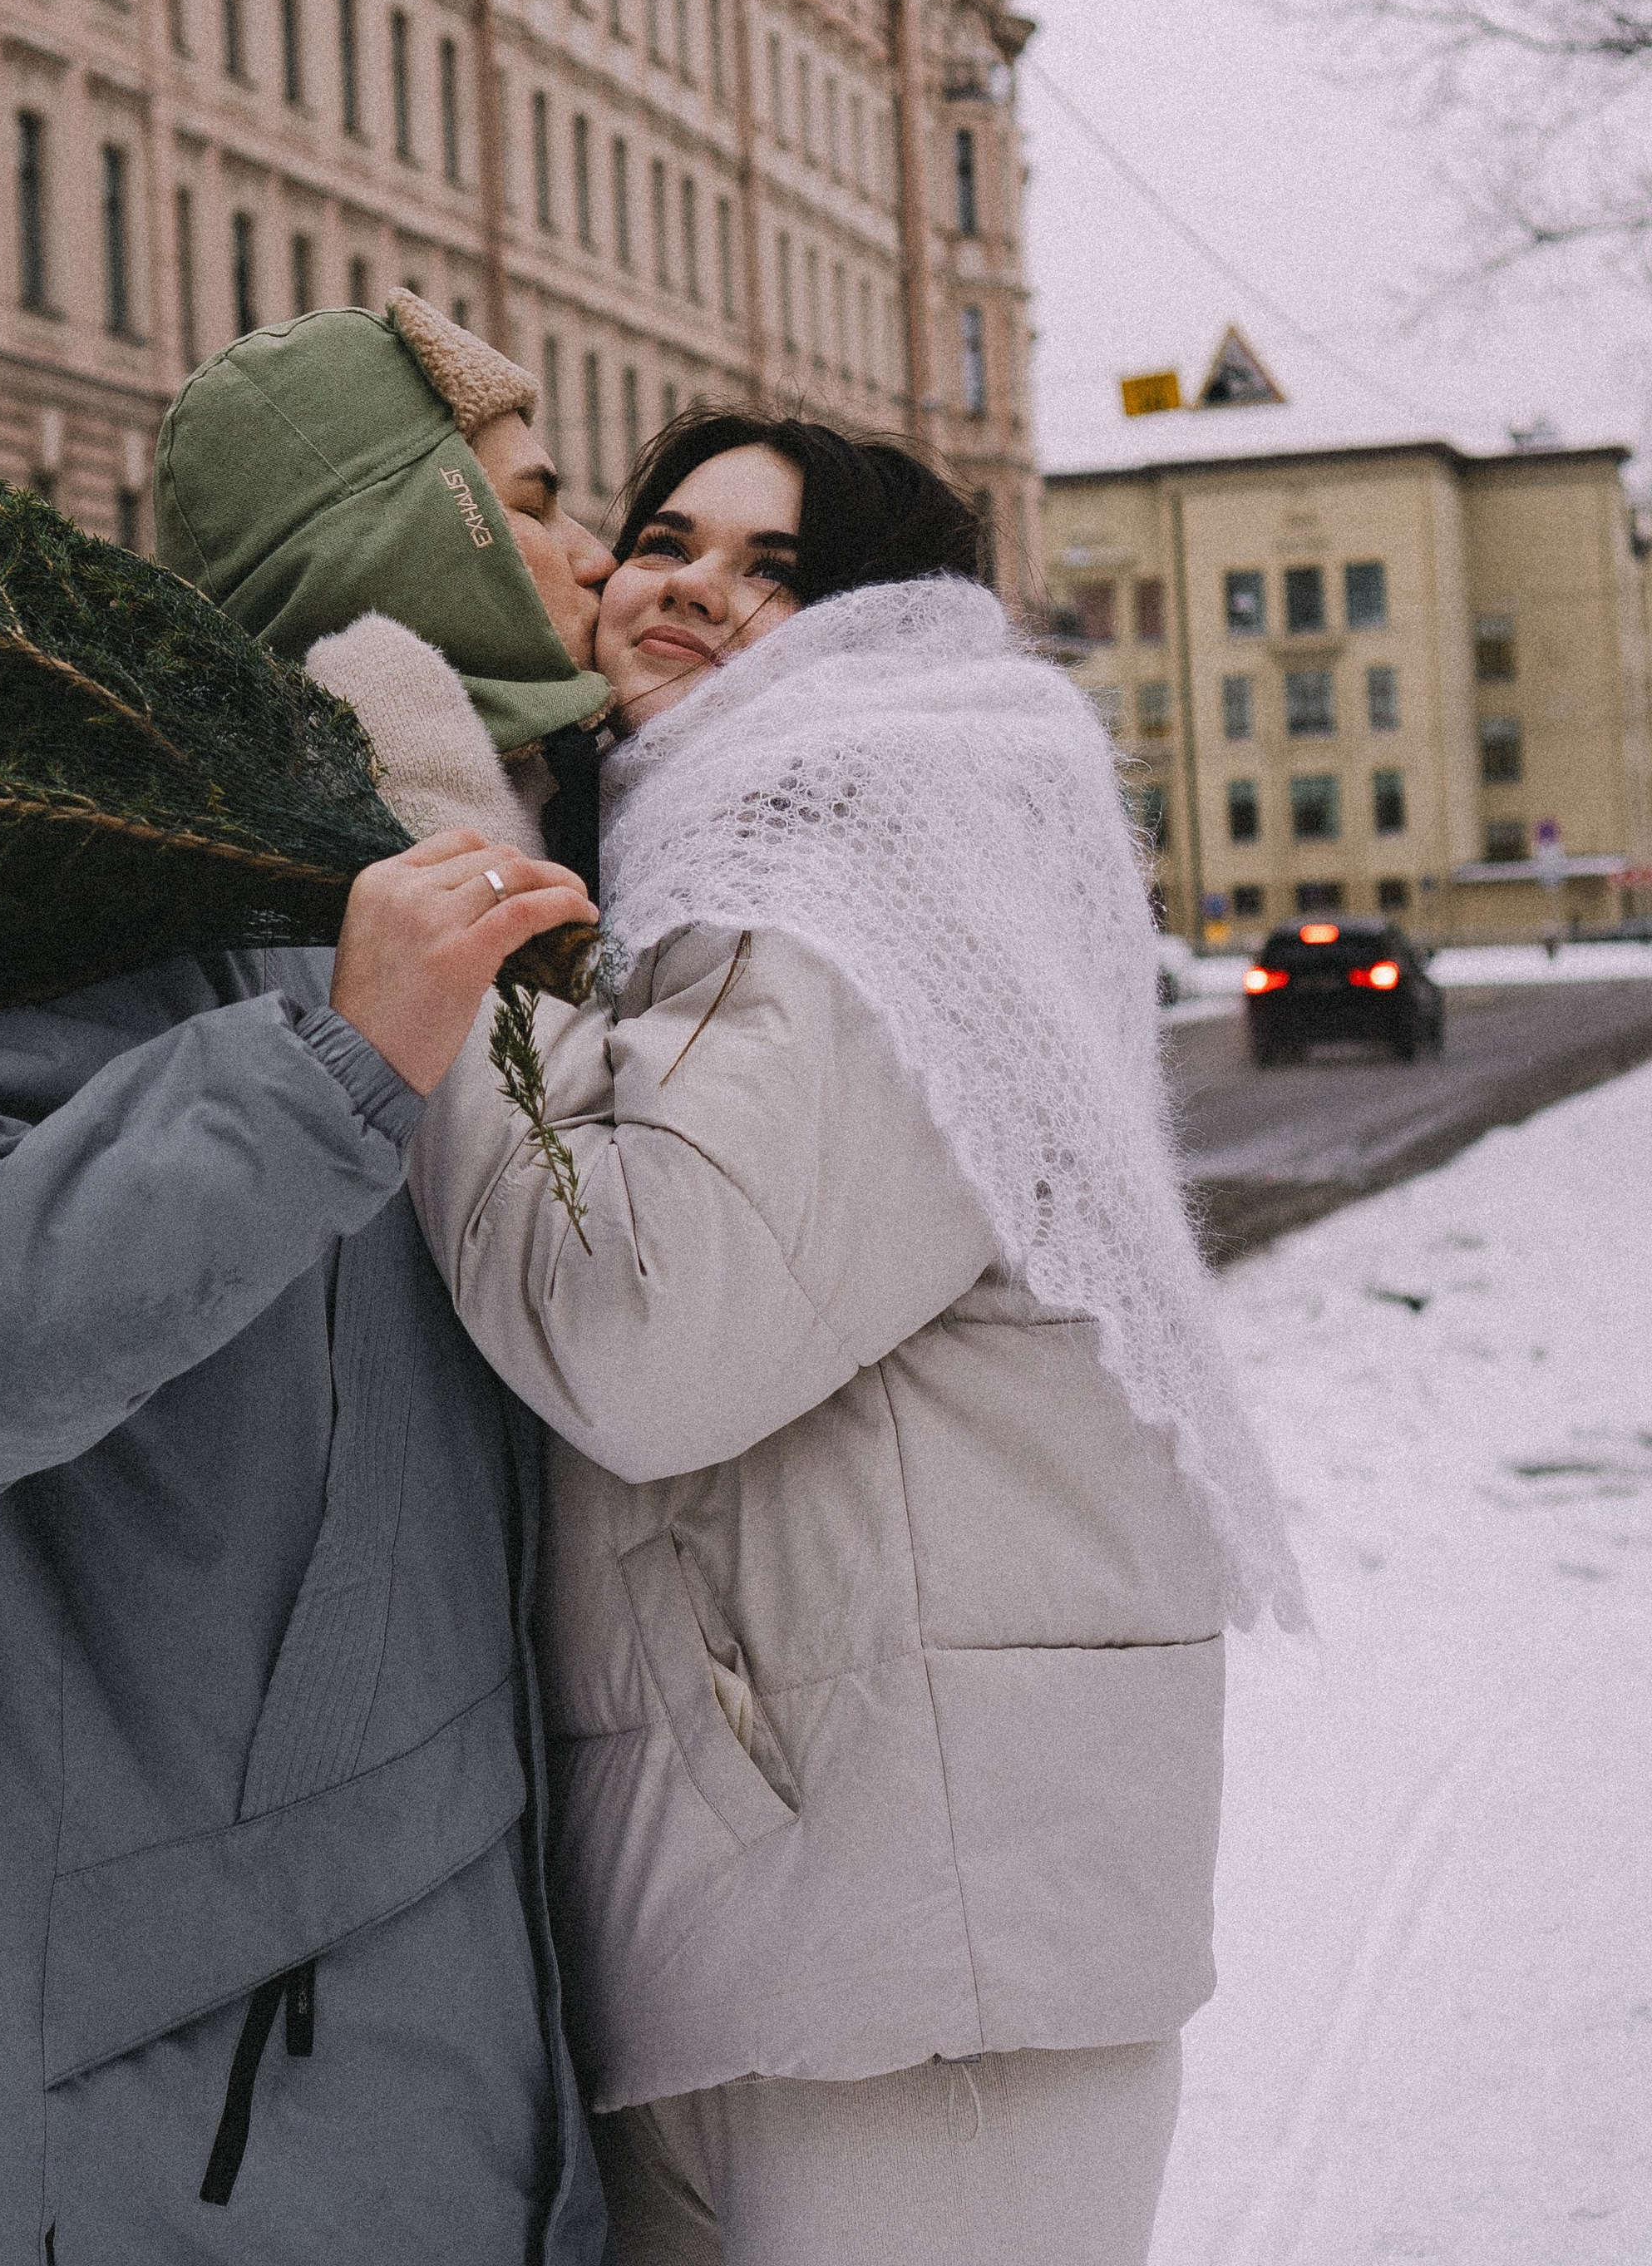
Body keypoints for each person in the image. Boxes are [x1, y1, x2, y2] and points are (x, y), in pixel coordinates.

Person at [408, 410, 1302, 2266]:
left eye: (779, 571)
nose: (693, 588)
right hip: (814, 1880)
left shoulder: (875, 858)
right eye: (666, 537)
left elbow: (648, 1327)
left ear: (881, 627)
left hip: (921, 1929)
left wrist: (442, 902)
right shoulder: (705, 866)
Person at [0, 295, 611, 2266]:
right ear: (399, 541)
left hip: (407, 2058)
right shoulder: (139, 887)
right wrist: (326, 1065)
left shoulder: (493, 906)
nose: (589, 555)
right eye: (530, 502)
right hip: (166, 2111)